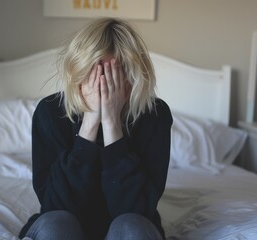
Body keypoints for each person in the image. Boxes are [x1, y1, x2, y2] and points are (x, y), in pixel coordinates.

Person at [19, 17, 172, 240]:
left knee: (130, 226)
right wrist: (90, 121)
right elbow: (56, 205)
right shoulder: (50, 113)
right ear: (78, 74)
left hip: (129, 226)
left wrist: (111, 124)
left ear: (134, 77)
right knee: (57, 224)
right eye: (96, 76)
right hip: (63, 227)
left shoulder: (154, 115)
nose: (105, 87)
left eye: (115, 77)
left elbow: (138, 210)